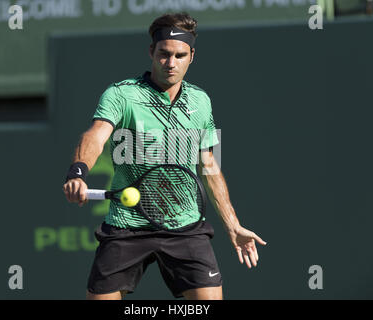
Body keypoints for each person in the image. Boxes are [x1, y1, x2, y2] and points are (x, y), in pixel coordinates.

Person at [63, 12, 267, 300]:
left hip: (185, 226)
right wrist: (79, 171)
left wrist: (233, 225)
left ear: (192, 56)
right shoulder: (121, 95)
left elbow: (209, 164)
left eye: (180, 55)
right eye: (164, 54)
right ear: (151, 51)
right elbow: (96, 134)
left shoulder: (201, 101)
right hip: (127, 225)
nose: (171, 63)